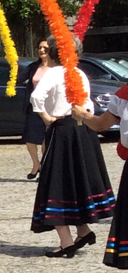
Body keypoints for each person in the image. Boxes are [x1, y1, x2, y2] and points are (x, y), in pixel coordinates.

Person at [29, 36, 114, 257]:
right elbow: (88, 105)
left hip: (64, 130)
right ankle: (83, 231)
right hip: (84, 130)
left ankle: (66, 243)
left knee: (55, 184)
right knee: (75, 182)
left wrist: (47, 119)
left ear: (55, 52)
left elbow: (36, 97)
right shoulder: (79, 73)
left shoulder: (55, 73)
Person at [73, 82, 128, 266]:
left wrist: (83, 115)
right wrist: (85, 116)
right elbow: (101, 124)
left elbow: (100, 125)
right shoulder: (125, 93)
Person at [24, 40, 51, 179]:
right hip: (34, 106)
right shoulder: (34, 67)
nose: (41, 50)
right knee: (29, 137)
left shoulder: (56, 67)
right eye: (39, 47)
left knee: (46, 139)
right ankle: (36, 164)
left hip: (50, 107)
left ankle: (45, 167)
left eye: (44, 48)